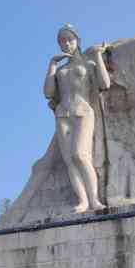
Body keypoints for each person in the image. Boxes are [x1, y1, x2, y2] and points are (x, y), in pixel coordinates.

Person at [44, 24, 110, 213]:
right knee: (70, 160)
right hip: (63, 114)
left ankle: (94, 199)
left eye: (69, 39)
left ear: (77, 41)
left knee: (80, 155)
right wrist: (52, 66)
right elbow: (48, 93)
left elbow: (104, 84)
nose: (66, 44)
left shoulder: (88, 64)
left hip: (83, 112)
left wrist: (98, 56)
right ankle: (83, 201)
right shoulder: (60, 69)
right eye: (62, 41)